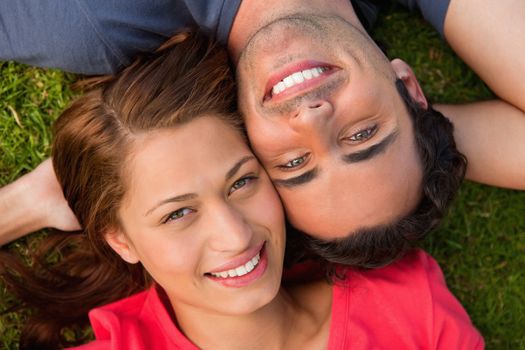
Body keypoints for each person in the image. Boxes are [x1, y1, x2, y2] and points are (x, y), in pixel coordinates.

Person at [0, 31, 483, 350]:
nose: (235, 236)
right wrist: (20, 206)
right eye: (176, 214)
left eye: (242, 182)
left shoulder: (408, 306)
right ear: (120, 241)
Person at [1, 0, 524, 259]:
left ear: (245, 139)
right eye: (364, 135)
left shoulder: (87, 22)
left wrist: (25, 204)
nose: (312, 118)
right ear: (408, 84)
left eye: (294, 163)